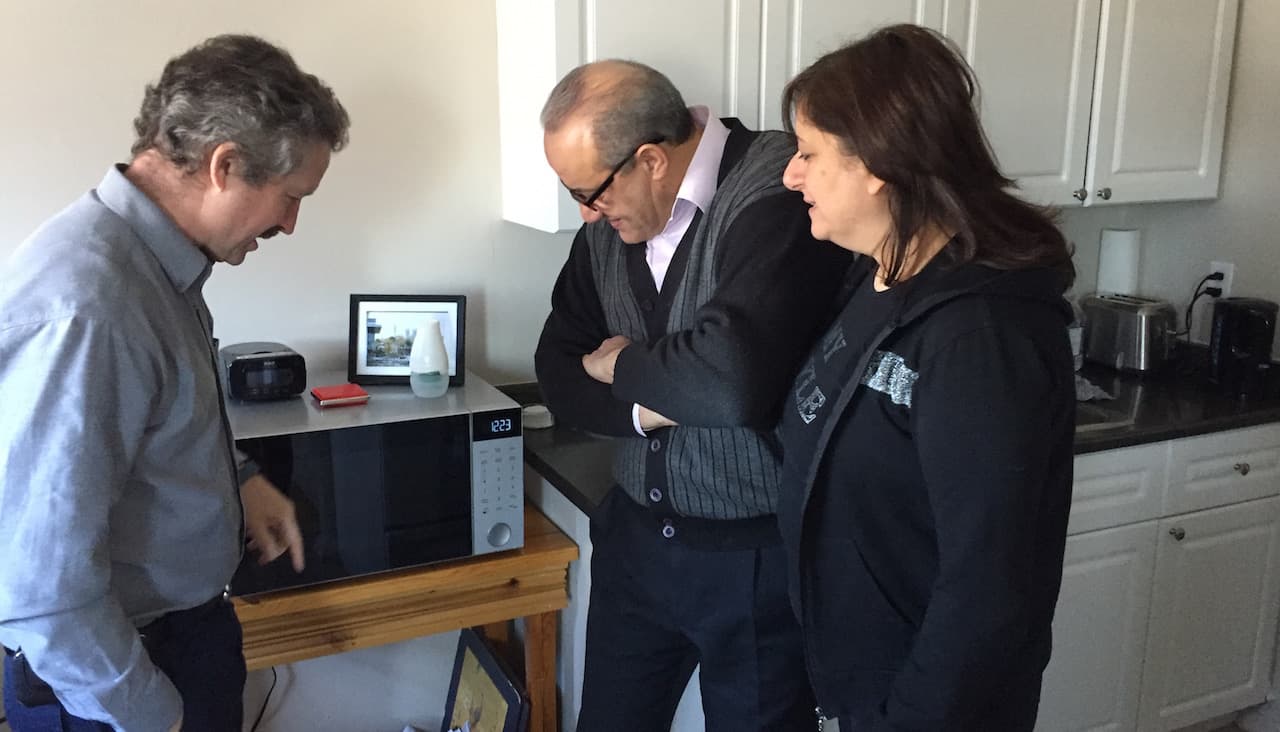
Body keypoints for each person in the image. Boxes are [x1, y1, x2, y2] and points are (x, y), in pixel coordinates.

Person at [0, 34, 349, 731]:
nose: (289, 222)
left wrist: (240, 477)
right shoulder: (91, 306)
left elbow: (156, 417)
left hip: (181, 638)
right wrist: (152, 715)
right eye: (288, 197)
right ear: (225, 165)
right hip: (120, 679)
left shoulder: (159, 263)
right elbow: (41, 589)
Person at [774, 24, 1076, 731]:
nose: (793, 174)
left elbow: (989, 587)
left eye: (809, 153)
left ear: (875, 162)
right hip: (849, 684)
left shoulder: (981, 336)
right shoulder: (878, 279)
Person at [535, 59, 851, 731]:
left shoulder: (776, 194)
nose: (586, 215)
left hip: (755, 561)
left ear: (650, 159)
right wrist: (655, 406)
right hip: (636, 547)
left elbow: (733, 382)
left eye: (589, 192)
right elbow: (558, 373)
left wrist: (620, 366)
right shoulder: (606, 232)